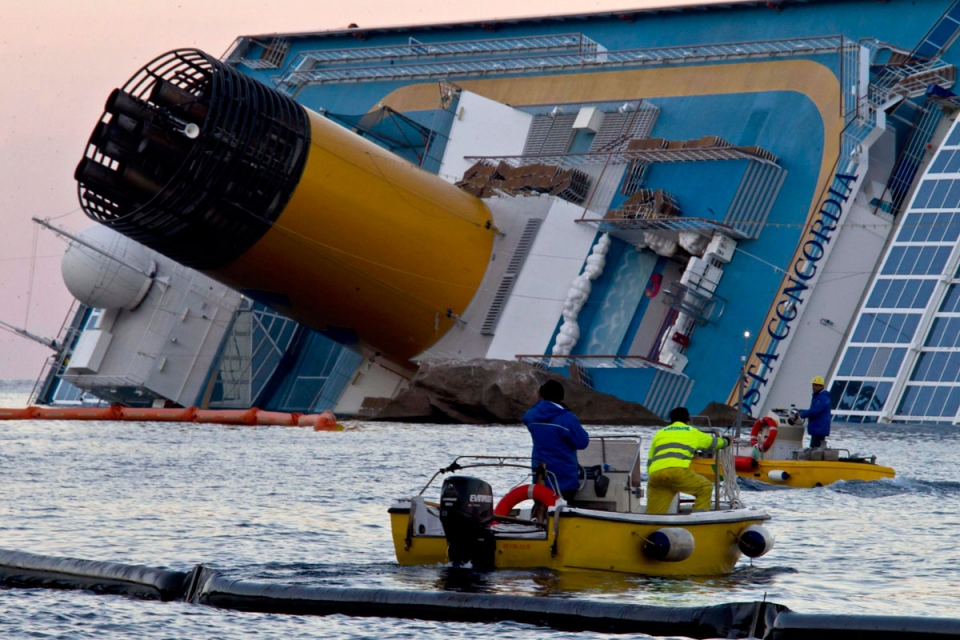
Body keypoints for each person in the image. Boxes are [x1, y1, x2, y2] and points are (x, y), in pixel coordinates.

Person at [646, 407, 730, 515]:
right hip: (677, 473)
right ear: (687, 421)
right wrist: (727, 441)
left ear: (671, 421)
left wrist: (651, 475)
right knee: (705, 487)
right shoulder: (692, 431)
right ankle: (698, 520)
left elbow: (650, 460)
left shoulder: (659, 433)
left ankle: (646, 529)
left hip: (655, 475)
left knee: (654, 514)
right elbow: (714, 443)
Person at [522, 379, 590, 503]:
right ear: (561, 396)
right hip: (564, 480)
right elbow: (582, 442)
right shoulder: (567, 418)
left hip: (540, 478)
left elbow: (526, 417)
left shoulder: (532, 416)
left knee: (541, 511)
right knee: (562, 513)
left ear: (541, 395)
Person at [798, 375, 831, 448]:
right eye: (813, 385)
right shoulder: (819, 397)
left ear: (821, 386)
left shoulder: (822, 398)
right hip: (818, 428)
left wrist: (801, 414)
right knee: (815, 447)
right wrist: (801, 411)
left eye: (816, 385)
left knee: (815, 448)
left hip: (819, 428)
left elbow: (814, 411)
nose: (814, 387)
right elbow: (813, 410)